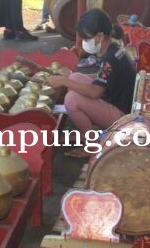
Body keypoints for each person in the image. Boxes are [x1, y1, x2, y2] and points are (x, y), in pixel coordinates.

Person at [45, 9, 136, 158]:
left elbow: (96, 92)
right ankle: (87, 131)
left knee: (71, 99)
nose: (84, 42)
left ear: (100, 36)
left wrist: (63, 81)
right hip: (118, 101)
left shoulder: (111, 58)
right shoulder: (113, 49)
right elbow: (105, 76)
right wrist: (68, 78)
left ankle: (91, 146)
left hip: (122, 117)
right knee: (75, 77)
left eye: (86, 39)